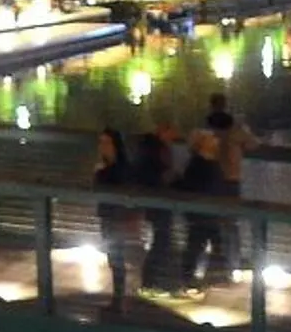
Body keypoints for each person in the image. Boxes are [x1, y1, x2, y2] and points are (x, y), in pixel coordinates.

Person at [204, 94, 258, 274]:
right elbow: (253, 144)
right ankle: (232, 264)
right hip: (231, 179)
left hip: (209, 180)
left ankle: (214, 263)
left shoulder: (205, 128)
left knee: (210, 224)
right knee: (231, 224)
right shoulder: (235, 129)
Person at [92, 128, 139, 314]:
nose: (102, 146)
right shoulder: (114, 167)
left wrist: (99, 173)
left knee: (116, 257)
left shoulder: (116, 169)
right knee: (115, 257)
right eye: (101, 142)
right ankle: (118, 299)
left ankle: (118, 300)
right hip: (110, 217)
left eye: (106, 142)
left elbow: (105, 187)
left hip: (116, 218)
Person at [175, 124, 226, 291]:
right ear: (202, 143)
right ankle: (191, 278)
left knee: (204, 244)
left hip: (208, 212)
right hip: (201, 213)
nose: (216, 141)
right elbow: (194, 187)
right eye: (211, 139)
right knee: (198, 244)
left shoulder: (209, 163)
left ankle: (205, 277)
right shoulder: (198, 164)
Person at [132, 125, 179, 294]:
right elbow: (158, 176)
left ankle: (153, 281)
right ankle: (152, 281)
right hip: (159, 202)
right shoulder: (157, 151)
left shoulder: (149, 150)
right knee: (162, 241)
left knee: (161, 240)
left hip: (156, 202)